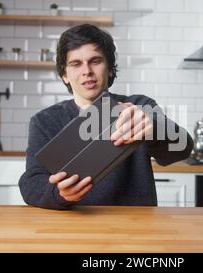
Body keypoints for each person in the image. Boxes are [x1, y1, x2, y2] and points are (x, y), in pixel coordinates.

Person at [19, 24, 193, 210]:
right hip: (73, 226)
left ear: (110, 68)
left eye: (95, 61)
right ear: (65, 76)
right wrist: (59, 194)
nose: (87, 71)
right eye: (76, 64)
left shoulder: (139, 106)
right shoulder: (45, 121)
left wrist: (155, 129)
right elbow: (30, 183)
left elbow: (183, 148)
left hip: (136, 226)